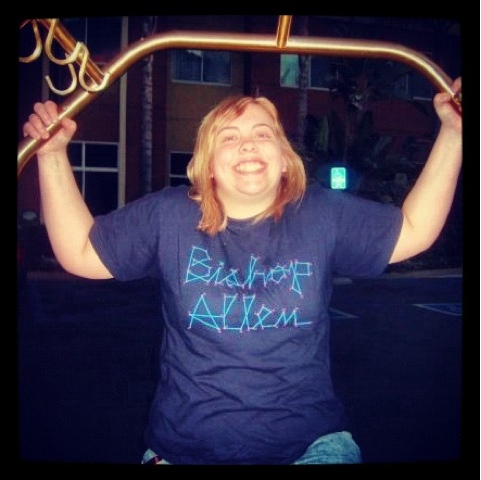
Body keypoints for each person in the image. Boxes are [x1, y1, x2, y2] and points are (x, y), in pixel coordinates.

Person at [22, 77, 462, 465]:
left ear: (284, 157)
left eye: (262, 133)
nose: (248, 144)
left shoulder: (321, 213)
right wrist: (52, 155)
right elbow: (81, 253)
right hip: (182, 451)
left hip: (310, 447)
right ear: (208, 164)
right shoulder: (168, 215)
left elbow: (414, 230)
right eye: (228, 137)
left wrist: (455, 132)